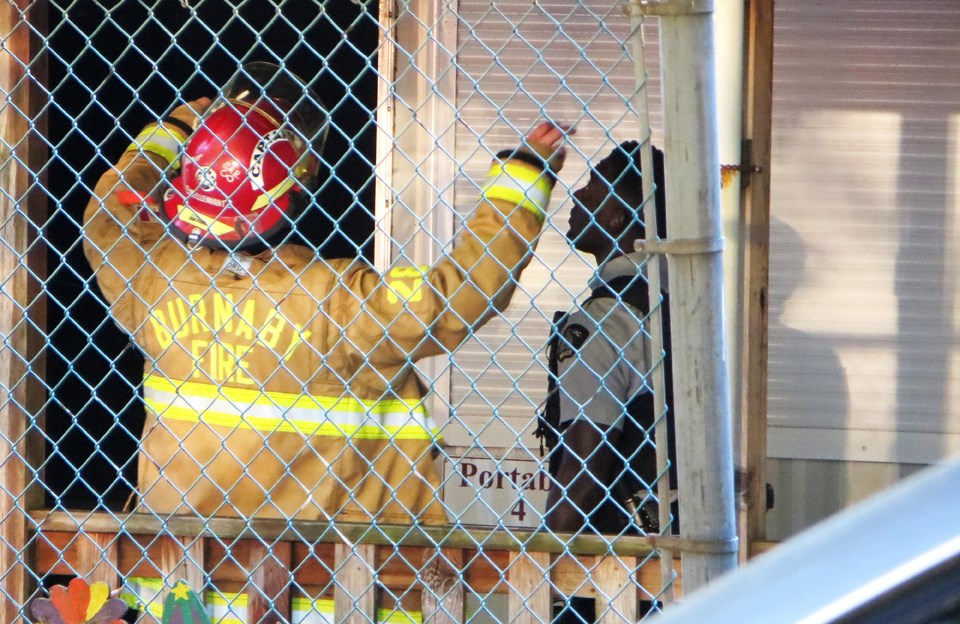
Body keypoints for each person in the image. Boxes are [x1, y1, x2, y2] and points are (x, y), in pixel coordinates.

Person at [83, 61, 571, 525]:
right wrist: (522, 177)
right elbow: (460, 289)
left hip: (178, 594)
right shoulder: (336, 298)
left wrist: (188, 123)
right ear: (295, 191)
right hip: (339, 592)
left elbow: (108, 212)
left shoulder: (150, 277)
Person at [537, 141, 673, 621]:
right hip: (667, 566)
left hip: (607, 569)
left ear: (620, 218)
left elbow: (584, 459)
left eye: (594, 184)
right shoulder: (678, 305)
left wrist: (544, 571)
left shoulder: (608, 318)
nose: (578, 193)